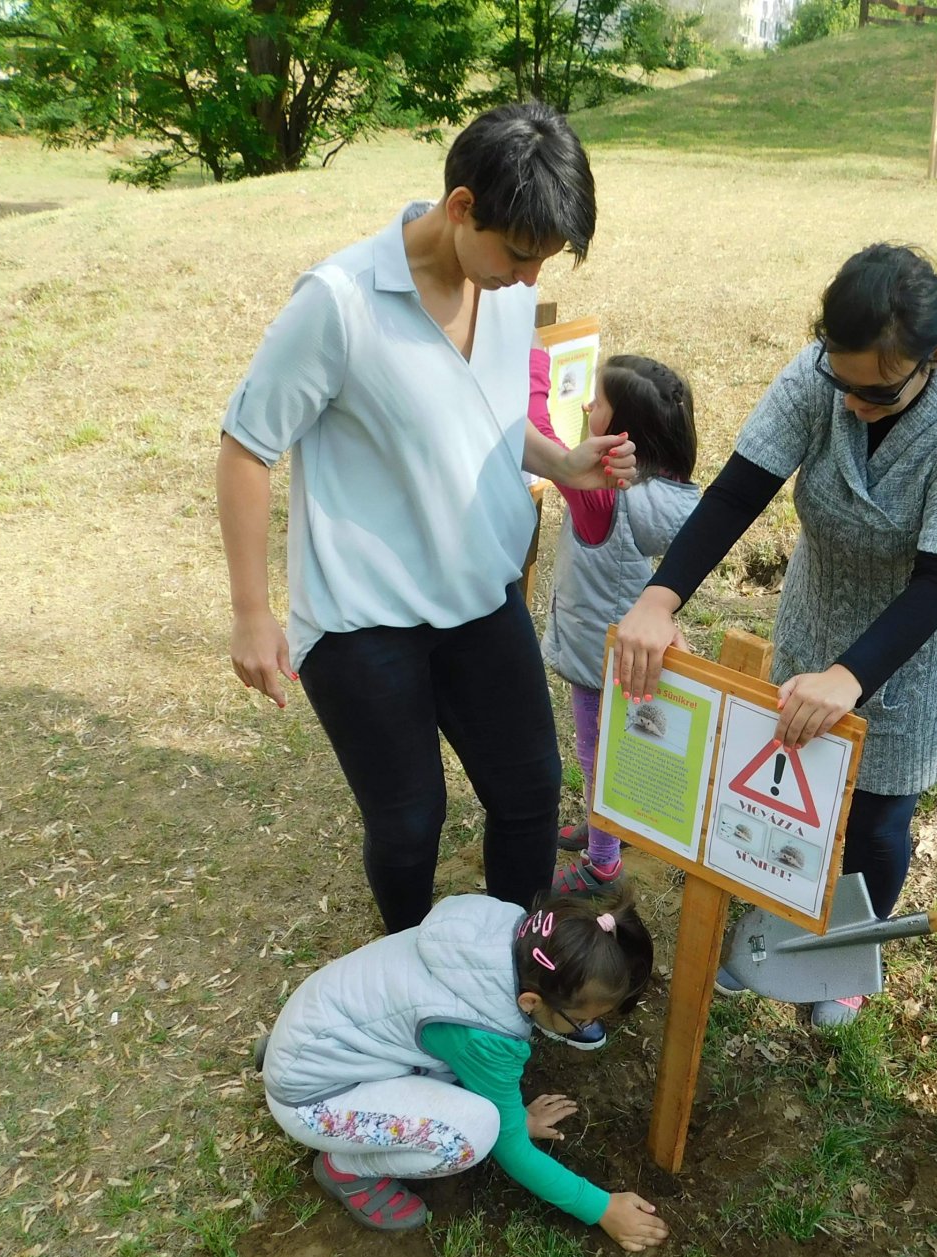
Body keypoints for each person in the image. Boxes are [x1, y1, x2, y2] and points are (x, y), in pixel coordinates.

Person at [216, 102, 636, 937]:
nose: (528, 278)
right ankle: (406, 963)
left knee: (526, 794)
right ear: (460, 208)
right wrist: (251, 613)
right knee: (410, 824)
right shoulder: (339, 303)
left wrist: (561, 462)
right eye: (519, 254)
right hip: (364, 621)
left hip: (481, 597)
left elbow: (477, 414)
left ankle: (509, 963)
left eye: (543, 262)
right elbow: (245, 448)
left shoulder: (508, 293)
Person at [612, 244, 937, 1027]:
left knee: (876, 812)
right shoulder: (819, 373)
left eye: (879, 391)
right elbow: (738, 492)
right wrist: (660, 598)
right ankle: (778, 928)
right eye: (844, 382)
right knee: (794, 787)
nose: (855, 401)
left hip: (919, 641)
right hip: (823, 603)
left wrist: (851, 677)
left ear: (936, 354)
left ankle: (844, 956)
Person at [255, 887, 670, 1251]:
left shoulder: (507, 934)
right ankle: (347, 1169)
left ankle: (290, 1058)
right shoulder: (482, 1035)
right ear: (530, 1003)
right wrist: (600, 1208)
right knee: (474, 1132)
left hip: (315, 1029)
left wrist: (517, 1116)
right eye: (582, 1021)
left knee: (467, 1084)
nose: (587, 1030)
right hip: (310, 1098)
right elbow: (512, 1151)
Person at [534, 355, 702, 896]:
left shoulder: (600, 496)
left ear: (619, 430)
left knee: (596, 754)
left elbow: (538, 432)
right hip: (635, 651)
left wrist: (532, 356)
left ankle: (602, 862)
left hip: (595, 654)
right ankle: (606, 823)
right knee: (617, 748)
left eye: (597, 402)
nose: (587, 406)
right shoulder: (671, 493)